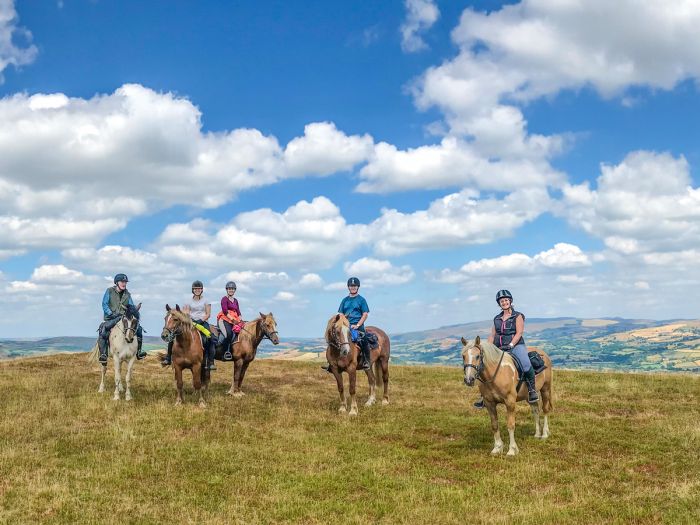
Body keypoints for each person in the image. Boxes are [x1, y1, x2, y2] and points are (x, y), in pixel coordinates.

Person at [474, 289, 539, 409]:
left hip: (516, 345)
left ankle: (531, 390)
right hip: (498, 347)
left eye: (506, 300)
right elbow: (492, 335)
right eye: (501, 301)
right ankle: (484, 396)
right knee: (485, 367)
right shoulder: (497, 319)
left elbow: (519, 333)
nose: (504, 302)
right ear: (499, 304)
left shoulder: (518, 316)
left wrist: (511, 345)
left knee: (525, 364)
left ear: (510, 301)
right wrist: (487, 348)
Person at [162, 280, 216, 370]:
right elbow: (186, 312)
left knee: (210, 338)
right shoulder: (188, 301)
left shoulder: (206, 300)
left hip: (203, 322)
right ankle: (168, 357)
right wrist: (189, 319)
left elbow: (208, 314)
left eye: (199, 289)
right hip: (190, 322)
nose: (197, 290)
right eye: (195, 289)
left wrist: (200, 320)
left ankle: (210, 362)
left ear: (202, 290)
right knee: (174, 335)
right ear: (193, 290)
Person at [323, 277, 371, 372]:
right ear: (348, 287)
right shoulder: (344, 300)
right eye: (351, 286)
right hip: (346, 326)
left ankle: (366, 361)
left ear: (358, 287)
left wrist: (357, 325)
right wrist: (342, 323)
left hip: (357, 327)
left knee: (364, 341)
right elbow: (340, 314)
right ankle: (331, 363)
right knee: (334, 340)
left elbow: (365, 314)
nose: (353, 287)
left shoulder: (361, 300)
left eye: (355, 286)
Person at [98, 273, 145, 364]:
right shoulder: (109, 291)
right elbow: (104, 304)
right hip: (111, 318)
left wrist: (135, 309)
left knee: (139, 329)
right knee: (103, 328)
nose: (124, 283)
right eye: (122, 282)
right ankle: (103, 354)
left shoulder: (127, 294)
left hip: (124, 318)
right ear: (117, 282)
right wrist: (111, 313)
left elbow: (130, 306)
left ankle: (138, 352)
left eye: (125, 282)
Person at [216, 281, 242, 360]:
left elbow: (238, 312)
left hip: (233, 320)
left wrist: (240, 319)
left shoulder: (236, 300)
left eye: (233, 289)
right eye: (229, 289)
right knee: (228, 334)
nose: (231, 290)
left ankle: (233, 351)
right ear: (227, 290)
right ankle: (224, 352)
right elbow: (225, 311)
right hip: (224, 319)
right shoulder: (224, 299)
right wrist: (233, 319)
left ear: (235, 290)